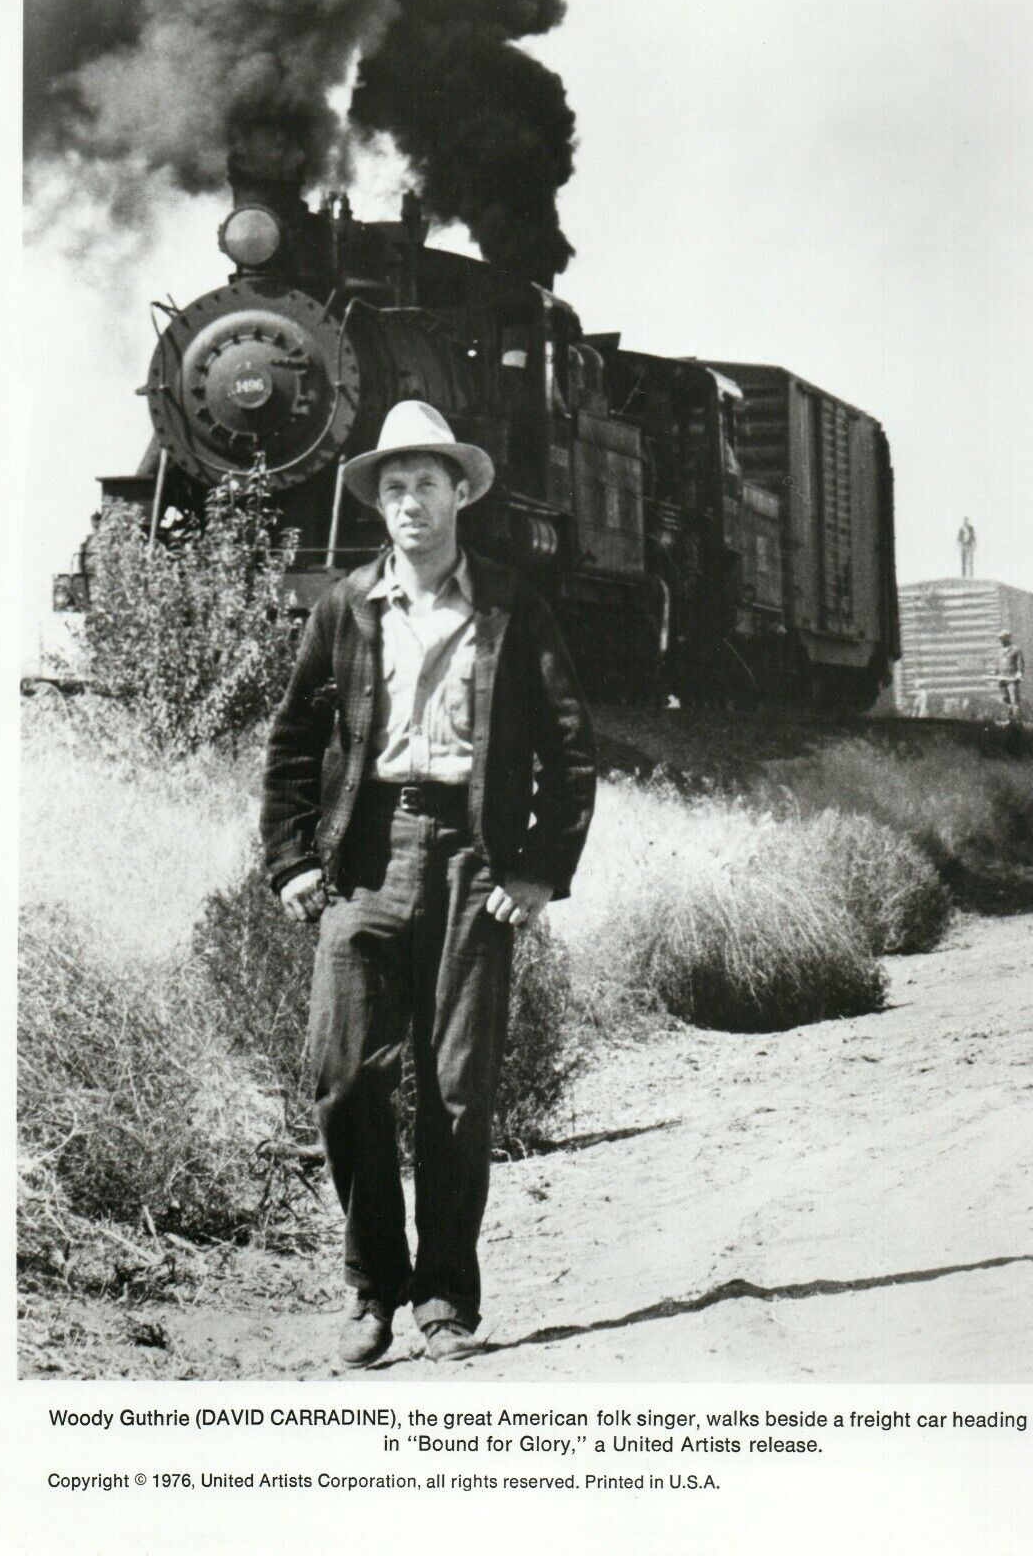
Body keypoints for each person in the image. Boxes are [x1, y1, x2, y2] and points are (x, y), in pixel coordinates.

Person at [261, 400, 596, 1370]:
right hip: (362, 863)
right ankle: (374, 1287)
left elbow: (573, 753)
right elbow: (289, 744)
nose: (410, 499)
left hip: (470, 862)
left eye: (426, 482)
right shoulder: (344, 608)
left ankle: (444, 1294)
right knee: (342, 1078)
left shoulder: (511, 605)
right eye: (393, 485)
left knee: (458, 1088)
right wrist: (290, 860)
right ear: (380, 504)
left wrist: (535, 871)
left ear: (460, 493)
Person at [995, 628, 1023, 721]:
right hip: (1002, 680)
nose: (1001, 641)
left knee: (1014, 700)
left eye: (1002, 638)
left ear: (1007, 638)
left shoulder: (1015, 650)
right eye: (1000, 639)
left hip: (1012, 679)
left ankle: (1017, 720)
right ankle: (1008, 719)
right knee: (1005, 700)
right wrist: (996, 674)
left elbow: (1020, 663)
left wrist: (1019, 673)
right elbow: (998, 665)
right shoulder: (999, 651)